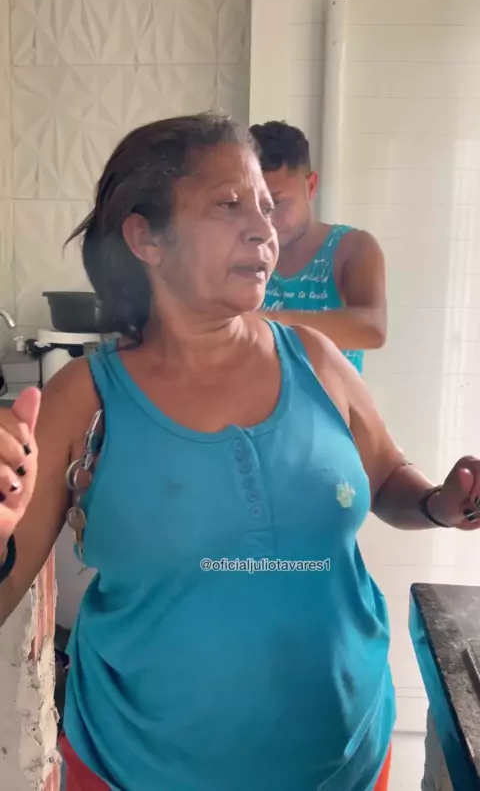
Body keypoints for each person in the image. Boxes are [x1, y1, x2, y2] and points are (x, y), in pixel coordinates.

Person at [0, 113, 478, 791]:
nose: (264, 229)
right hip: (137, 770)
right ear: (145, 238)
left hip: (347, 759)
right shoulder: (87, 398)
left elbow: (386, 479)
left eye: (265, 206)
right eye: (229, 205)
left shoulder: (315, 358)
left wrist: (437, 503)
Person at [249, 120, 387, 373]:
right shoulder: (239, 251)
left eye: (276, 203)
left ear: (310, 186)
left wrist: (266, 324)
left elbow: (373, 329)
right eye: (253, 205)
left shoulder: (352, 248)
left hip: (331, 399)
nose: (265, 220)